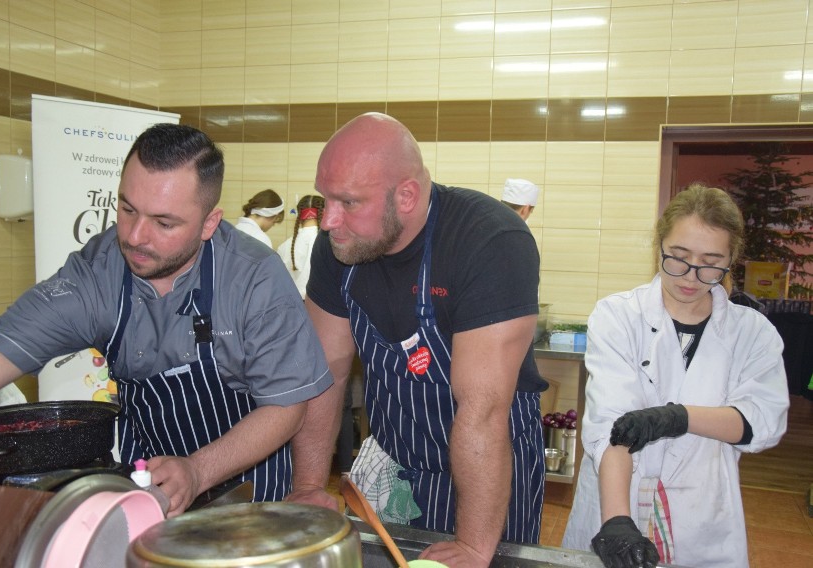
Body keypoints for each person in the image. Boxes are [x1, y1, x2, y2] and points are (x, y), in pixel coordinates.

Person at [0, 123, 332, 516]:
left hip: (253, 492)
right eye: (127, 209)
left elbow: (287, 406)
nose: (136, 236)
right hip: (151, 489)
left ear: (209, 223)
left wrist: (197, 470)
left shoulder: (253, 277)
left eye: (164, 223)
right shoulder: (95, 276)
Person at [286, 112, 547, 567]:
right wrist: (309, 486)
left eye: (348, 202)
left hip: (489, 472)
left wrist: (471, 546)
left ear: (406, 195)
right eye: (326, 199)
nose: (328, 221)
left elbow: (483, 411)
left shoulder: (489, 240)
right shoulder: (340, 246)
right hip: (397, 466)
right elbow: (323, 370)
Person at [562, 184, 789, 568]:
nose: (690, 276)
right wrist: (618, 520)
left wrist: (678, 417)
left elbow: (763, 422)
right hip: (620, 494)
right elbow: (609, 425)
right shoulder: (619, 316)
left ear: (731, 259)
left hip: (701, 511)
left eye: (711, 263)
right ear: (659, 247)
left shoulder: (752, 332)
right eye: (678, 258)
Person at [276, 195, 325, 299]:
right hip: (321, 306)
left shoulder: (284, 246)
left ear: (299, 215)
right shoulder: (330, 243)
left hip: (291, 305)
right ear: (325, 213)